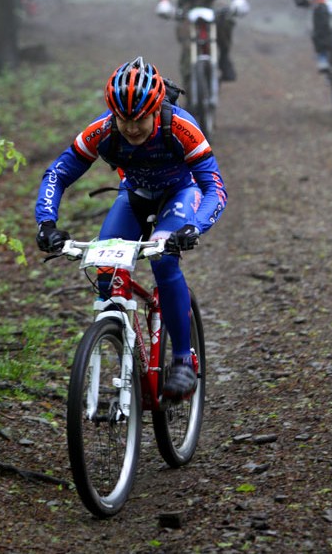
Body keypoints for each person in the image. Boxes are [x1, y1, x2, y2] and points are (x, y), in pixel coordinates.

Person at [35, 56, 228, 402]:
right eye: (123, 119)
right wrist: (47, 222)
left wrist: (195, 226)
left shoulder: (181, 128)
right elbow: (58, 175)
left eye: (139, 119)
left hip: (180, 194)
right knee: (106, 273)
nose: (131, 127)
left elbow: (213, 186)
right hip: (134, 194)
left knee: (164, 260)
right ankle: (119, 345)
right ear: (113, 114)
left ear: (156, 109)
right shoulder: (103, 131)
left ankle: (183, 359)